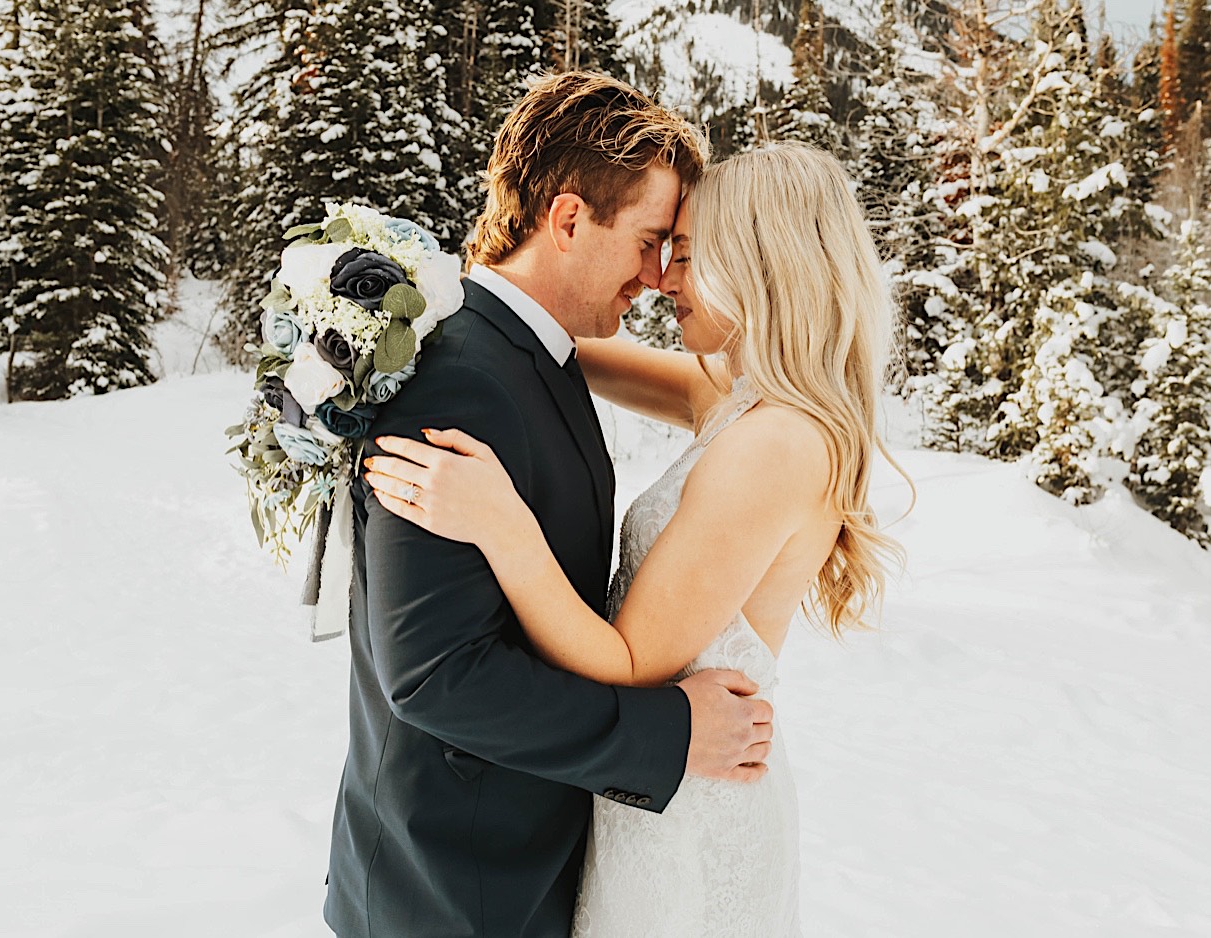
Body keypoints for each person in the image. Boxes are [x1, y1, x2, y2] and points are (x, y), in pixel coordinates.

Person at [365, 143, 908, 936]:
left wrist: (502, 524)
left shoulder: (779, 445)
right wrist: (401, 312)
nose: (665, 280)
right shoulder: (739, 396)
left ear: (758, 266)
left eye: (687, 257)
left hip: (695, 810)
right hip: (647, 790)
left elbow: (627, 661)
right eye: (662, 250)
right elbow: (565, 337)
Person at [323, 73, 777, 938]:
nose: (657, 274)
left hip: (514, 879)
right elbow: (434, 673)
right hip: (451, 895)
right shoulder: (456, 377)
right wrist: (669, 735)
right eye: (648, 240)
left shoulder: (536, 353)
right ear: (568, 219)